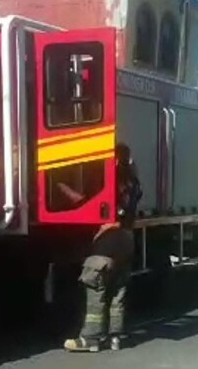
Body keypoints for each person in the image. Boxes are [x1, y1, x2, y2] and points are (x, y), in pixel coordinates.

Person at [63, 143, 142, 352]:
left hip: (108, 240)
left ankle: (90, 338)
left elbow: (85, 202)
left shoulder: (110, 182)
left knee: (95, 285)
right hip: (127, 239)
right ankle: (116, 336)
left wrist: (60, 185)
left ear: (114, 159)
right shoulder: (133, 182)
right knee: (117, 289)